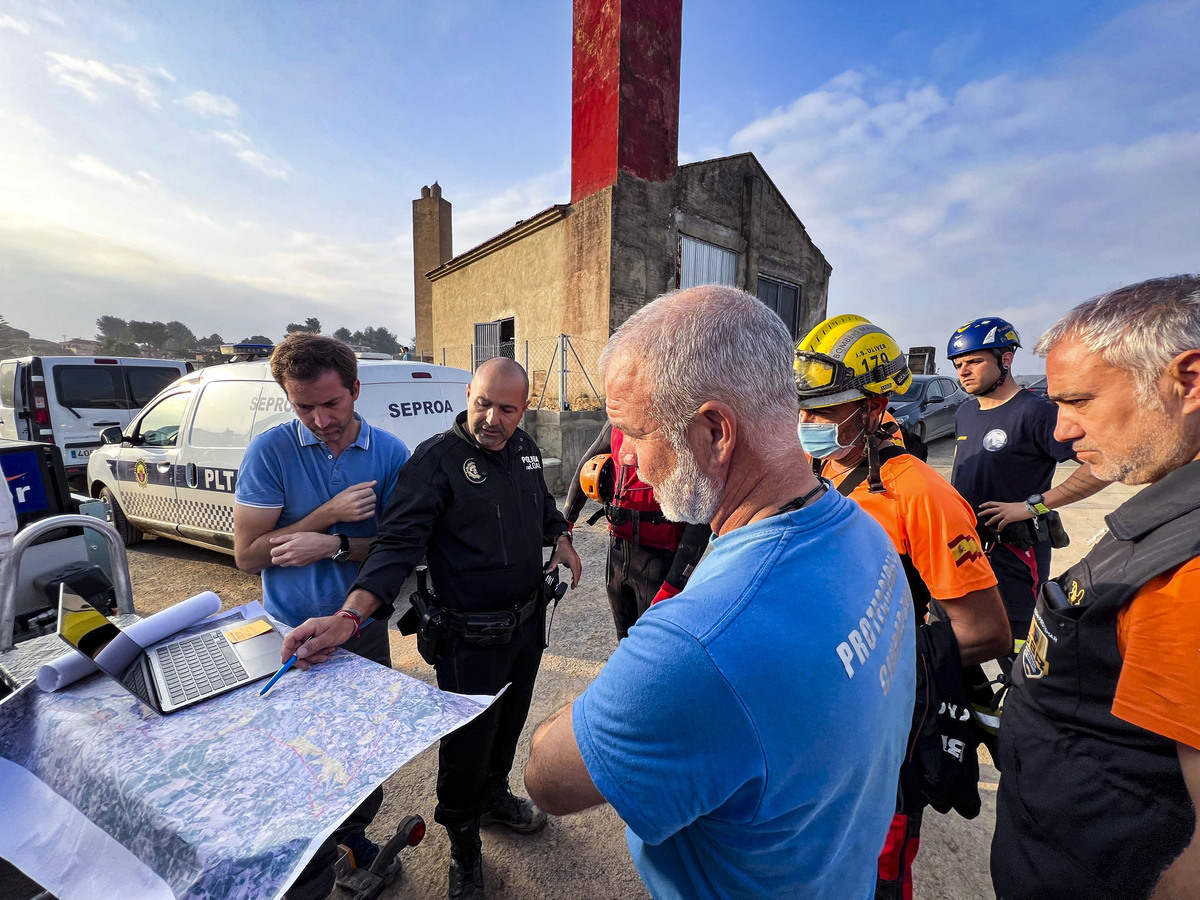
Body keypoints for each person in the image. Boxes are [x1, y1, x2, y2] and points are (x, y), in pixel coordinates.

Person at [524, 286, 916, 899]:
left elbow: (547, 782)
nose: (627, 459)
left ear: (715, 431)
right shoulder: (863, 531)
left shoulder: (695, 646)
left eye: (634, 432)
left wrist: (627, 686)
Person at [279, 356, 581, 900]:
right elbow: (396, 547)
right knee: (468, 744)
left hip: (525, 628)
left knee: (510, 724)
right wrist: (351, 616)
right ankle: (464, 844)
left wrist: (559, 536)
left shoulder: (527, 452)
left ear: (523, 409)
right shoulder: (434, 464)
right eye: (483, 402)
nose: (492, 418)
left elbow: (544, 511)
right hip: (469, 639)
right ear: (469, 393)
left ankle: (493, 798)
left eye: (507, 409)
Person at [991, 275, 1200, 899]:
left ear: (1187, 381)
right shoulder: (1164, 520)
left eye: (1079, 401)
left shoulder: (1184, 576)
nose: (1060, 430)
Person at [796, 314, 1011, 900]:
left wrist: (869, 656)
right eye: (802, 409)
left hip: (887, 721)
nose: (806, 425)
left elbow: (988, 632)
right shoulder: (820, 470)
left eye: (821, 411)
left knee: (876, 872)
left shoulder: (921, 494)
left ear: (872, 406)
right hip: (822, 711)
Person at [232, 333, 410, 898]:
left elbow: (400, 550)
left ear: (356, 390)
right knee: (294, 756)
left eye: (331, 403)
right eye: (303, 406)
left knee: (360, 754)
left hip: (360, 631)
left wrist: (332, 546)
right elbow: (247, 554)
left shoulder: (390, 454)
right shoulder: (270, 451)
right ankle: (302, 856)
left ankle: (353, 841)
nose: (319, 418)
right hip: (285, 634)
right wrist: (327, 516)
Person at [947, 316, 1109, 640]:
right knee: (968, 639)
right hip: (965, 550)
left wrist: (1032, 506)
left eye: (974, 361)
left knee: (1017, 645)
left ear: (1006, 359)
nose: (963, 370)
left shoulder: (1036, 412)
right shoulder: (964, 412)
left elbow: (1104, 463)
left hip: (1015, 555)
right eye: (958, 363)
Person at [563, 421, 710, 638]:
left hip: (660, 559)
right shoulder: (617, 423)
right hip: (618, 552)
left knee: (656, 645)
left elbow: (702, 515)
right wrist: (565, 526)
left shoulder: (682, 427)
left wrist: (674, 583)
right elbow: (585, 467)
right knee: (624, 638)